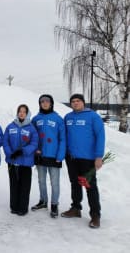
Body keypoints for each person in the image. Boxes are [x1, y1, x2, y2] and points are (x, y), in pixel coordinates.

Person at [61, 94, 105, 229]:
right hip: (72, 158)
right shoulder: (68, 117)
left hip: (87, 158)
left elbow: (100, 136)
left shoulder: (93, 116)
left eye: (78, 101)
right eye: (72, 101)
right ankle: (76, 208)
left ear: (83, 103)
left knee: (89, 186)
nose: (75, 103)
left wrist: (98, 156)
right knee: (75, 183)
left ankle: (95, 215)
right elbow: (63, 136)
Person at [31, 94, 66, 218]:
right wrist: (35, 150)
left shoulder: (58, 119)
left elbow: (63, 139)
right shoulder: (35, 119)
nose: (44, 103)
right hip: (40, 155)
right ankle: (43, 201)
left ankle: (54, 204)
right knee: (41, 181)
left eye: (47, 101)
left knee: (54, 183)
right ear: (40, 104)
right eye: (42, 101)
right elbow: (32, 137)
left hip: (54, 156)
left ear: (51, 103)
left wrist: (60, 155)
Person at [3, 104, 38, 216]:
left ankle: (23, 208)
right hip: (12, 161)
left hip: (25, 162)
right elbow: (5, 141)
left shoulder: (31, 128)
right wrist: (10, 153)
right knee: (13, 184)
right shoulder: (10, 126)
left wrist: (23, 151)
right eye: (20, 111)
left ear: (27, 114)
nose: (21, 113)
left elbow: (34, 143)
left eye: (24, 111)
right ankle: (14, 206)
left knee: (25, 185)